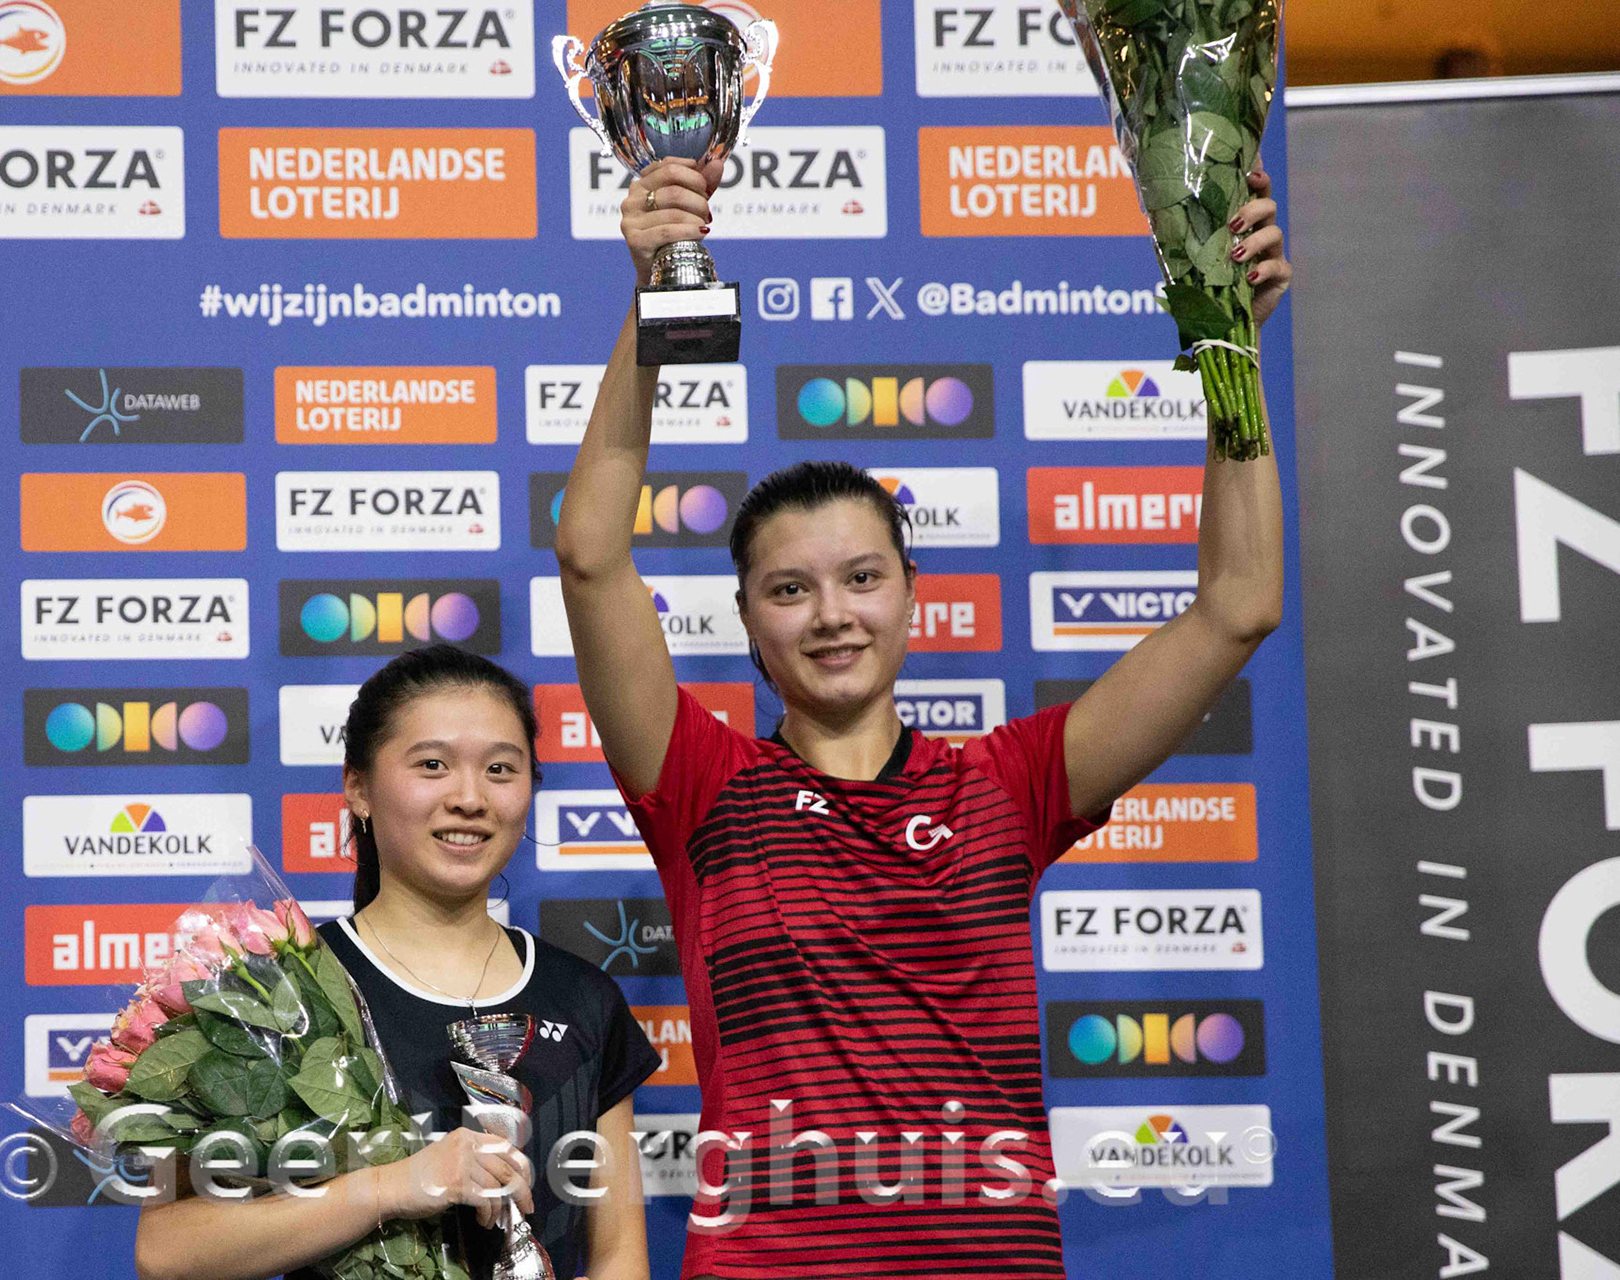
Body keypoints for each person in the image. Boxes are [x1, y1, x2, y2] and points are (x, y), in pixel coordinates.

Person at [552, 158, 1293, 1278]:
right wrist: (656, 292)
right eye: (789, 589)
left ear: (912, 595)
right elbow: (590, 554)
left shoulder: (1011, 782)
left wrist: (1232, 350)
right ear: (747, 621)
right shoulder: (703, 787)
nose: (831, 615)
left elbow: (1240, 604)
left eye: (862, 578)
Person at [135, 644, 660, 1280]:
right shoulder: (281, 991)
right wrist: (395, 1186)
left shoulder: (584, 998)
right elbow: (167, 1250)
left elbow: (618, 1256)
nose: (470, 798)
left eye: (500, 769)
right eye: (433, 765)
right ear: (358, 788)